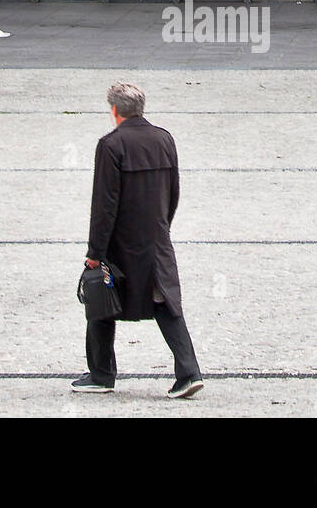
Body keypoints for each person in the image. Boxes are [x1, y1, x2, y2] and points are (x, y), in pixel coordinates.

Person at [72, 81, 203, 397]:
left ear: (114, 110)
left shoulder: (110, 145)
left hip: (121, 245)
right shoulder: (164, 139)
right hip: (157, 240)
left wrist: (95, 253)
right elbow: (174, 191)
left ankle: (101, 374)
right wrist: (162, 227)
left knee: (100, 302)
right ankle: (189, 373)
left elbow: (103, 205)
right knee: (166, 304)